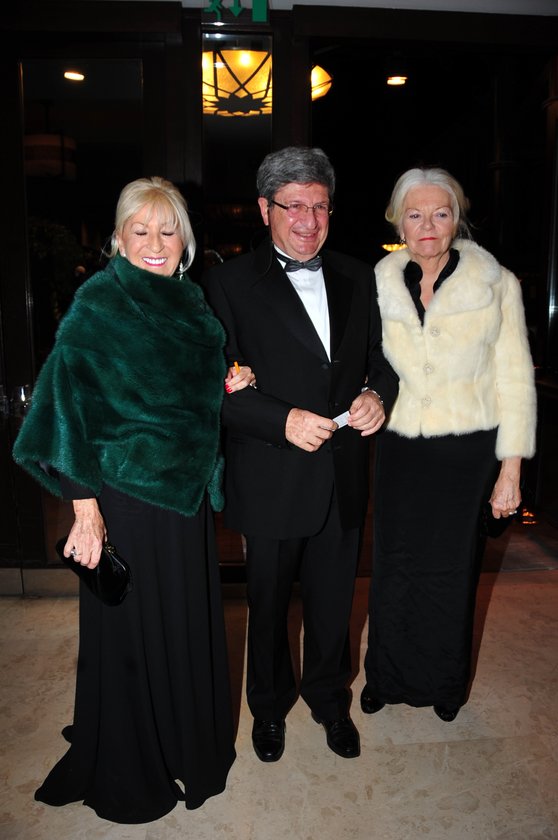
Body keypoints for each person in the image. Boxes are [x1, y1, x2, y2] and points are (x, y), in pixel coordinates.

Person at [12, 176, 254, 823]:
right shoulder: (99, 304)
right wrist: (85, 509)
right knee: (130, 637)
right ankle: (130, 763)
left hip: (184, 507)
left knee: (182, 626)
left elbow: (178, 393)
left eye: (167, 231)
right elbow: (65, 409)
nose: (155, 242)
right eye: (140, 230)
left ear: (185, 242)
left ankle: (183, 744)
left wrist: (226, 383)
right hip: (123, 502)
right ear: (118, 239)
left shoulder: (192, 304)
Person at [202, 146, 399, 762]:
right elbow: (210, 385)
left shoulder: (359, 276)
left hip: (343, 473)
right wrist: (280, 419)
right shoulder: (227, 283)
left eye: (319, 206)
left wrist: (377, 395)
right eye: (293, 206)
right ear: (265, 210)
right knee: (266, 607)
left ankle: (330, 700)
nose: (309, 220)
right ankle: (267, 708)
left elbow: (382, 359)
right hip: (270, 475)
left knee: (335, 603)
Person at [360, 166, 537, 724]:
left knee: (452, 570)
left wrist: (510, 471)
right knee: (394, 566)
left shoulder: (497, 283)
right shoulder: (378, 281)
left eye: (440, 213)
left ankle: (444, 682)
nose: (427, 226)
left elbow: (515, 379)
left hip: (467, 452)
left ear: (456, 219)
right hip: (400, 449)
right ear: (399, 223)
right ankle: (385, 677)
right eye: (415, 215)